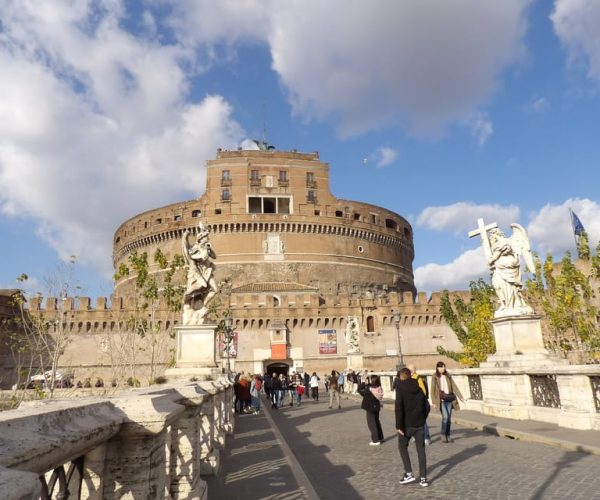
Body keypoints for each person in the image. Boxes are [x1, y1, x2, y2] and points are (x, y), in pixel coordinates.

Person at [395, 368, 430, 487]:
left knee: (402, 446)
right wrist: (423, 418)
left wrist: (399, 425)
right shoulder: (419, 388)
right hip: (419, 424)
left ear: (401, 377)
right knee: (421, 451)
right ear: (410, 376)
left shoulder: (400, 388)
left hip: (406, 425)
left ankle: (409, 473)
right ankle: (423, 478)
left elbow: (398, 408)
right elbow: (427, 406)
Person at [430, 361, 463, 443]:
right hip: (441, 400)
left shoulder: (448, 375)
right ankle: (443, 434)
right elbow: (432, 389)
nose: (444, 368)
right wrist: (434, 402)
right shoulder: (435, 376)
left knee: (448, 419)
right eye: (442, 367)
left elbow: (454, 386)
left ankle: (448, 435)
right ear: (438, 368)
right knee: (445, 417)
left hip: (449, 399)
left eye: (444, 367)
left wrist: (460, 396)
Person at [406, 364, 431, 445]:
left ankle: (426, 437)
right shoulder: (407, 378)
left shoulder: (417, 378)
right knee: (413, 421)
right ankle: (415, 436)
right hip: (411, 404)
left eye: (409, 370)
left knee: (423, 421)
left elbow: (423, 392)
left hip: (419, 404)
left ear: (413, 371)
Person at [358, 374, 384, 445]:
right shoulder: (379, 388)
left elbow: (359, 390)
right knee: (377, 422)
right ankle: (380, 437)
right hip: (376, 407)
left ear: (372, 381)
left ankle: (375, 440)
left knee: (371, 424)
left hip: (370, 408)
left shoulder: (369, 390)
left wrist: (363, 383)